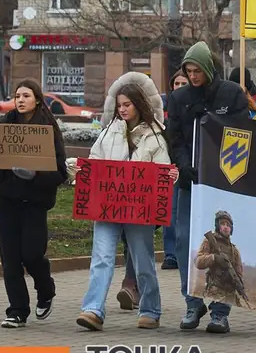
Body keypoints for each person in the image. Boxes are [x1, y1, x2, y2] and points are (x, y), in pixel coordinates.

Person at [167, 41, 252, 334]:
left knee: (221, 247)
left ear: (208, 68)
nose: (192, 76)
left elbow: (243, 133)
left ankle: (220, 311)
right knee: (183, 242)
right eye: (188, 71)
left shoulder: (231, 93)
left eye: (197, 70)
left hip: (221, 182)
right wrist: (182, 164)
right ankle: (192, 302)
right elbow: (174, 137)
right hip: (191, 182)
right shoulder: (178, 98)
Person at [0, 79, 68, 328]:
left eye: (26, 95)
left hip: (34, 203)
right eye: (17, 96)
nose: (21, 100)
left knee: (32, 254)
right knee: (10, 258)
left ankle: (45, 290)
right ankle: (17, 310)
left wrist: (35, 175)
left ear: (37, 99)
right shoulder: (3, 126)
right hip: (6, 200)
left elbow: (60, 173)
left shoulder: (47, 128)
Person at [76, 79, 170, 331]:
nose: (122, 109)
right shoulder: (109, 132)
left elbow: (162, 170)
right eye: (119, 105)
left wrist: (169, 177)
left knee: (142, 260)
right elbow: (95, 159)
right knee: (102, 258)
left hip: (140, 210)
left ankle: (150, 309)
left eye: (127, 104)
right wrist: (81, 172)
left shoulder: (156, 137)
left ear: (138, 104)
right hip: (107, 207)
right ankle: (93, 309)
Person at [162, 70, 191, 271]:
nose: (179, 87)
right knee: (169, 212)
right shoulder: (162, 110)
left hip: (186, 166)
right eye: (177, 83)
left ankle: (183, 252)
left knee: (183, 214)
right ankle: (170, 254)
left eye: (184, 83)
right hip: (169, 167)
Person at [194, 211, 250, 312]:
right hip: (215, 290)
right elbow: (198, 262)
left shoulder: (234, 251)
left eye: (228, 225)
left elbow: (238, 273)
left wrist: (238, 284)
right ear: (217, 226)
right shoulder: (210, 241)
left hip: (229, 292)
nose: (225, 227)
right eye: (222, 224)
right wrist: (214, 258)